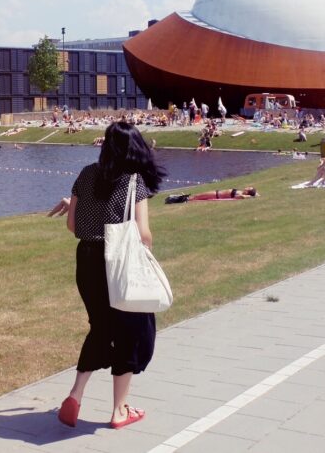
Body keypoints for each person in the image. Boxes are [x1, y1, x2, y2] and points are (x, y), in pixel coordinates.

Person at [48, 121, 164, 430]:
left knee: (100, 328)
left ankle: (74, 396)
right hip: (119, 264)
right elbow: (143, 233)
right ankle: (119, 410)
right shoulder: (133, 182)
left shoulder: (86, 174)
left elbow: (72, 226)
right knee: (131, 331)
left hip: (86, 260)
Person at [165, 187, 258, 202]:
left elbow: (241, 197)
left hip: (216, 195)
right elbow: (256, 194)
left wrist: (249, 196)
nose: (247, 186)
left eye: (249, 188)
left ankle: (174, 199)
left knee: (196, 197)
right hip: (216, 193)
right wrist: (254, 194)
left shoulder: (242, 194)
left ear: (247, 192)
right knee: (196, 196)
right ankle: (176, 198)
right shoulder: (242, 192)